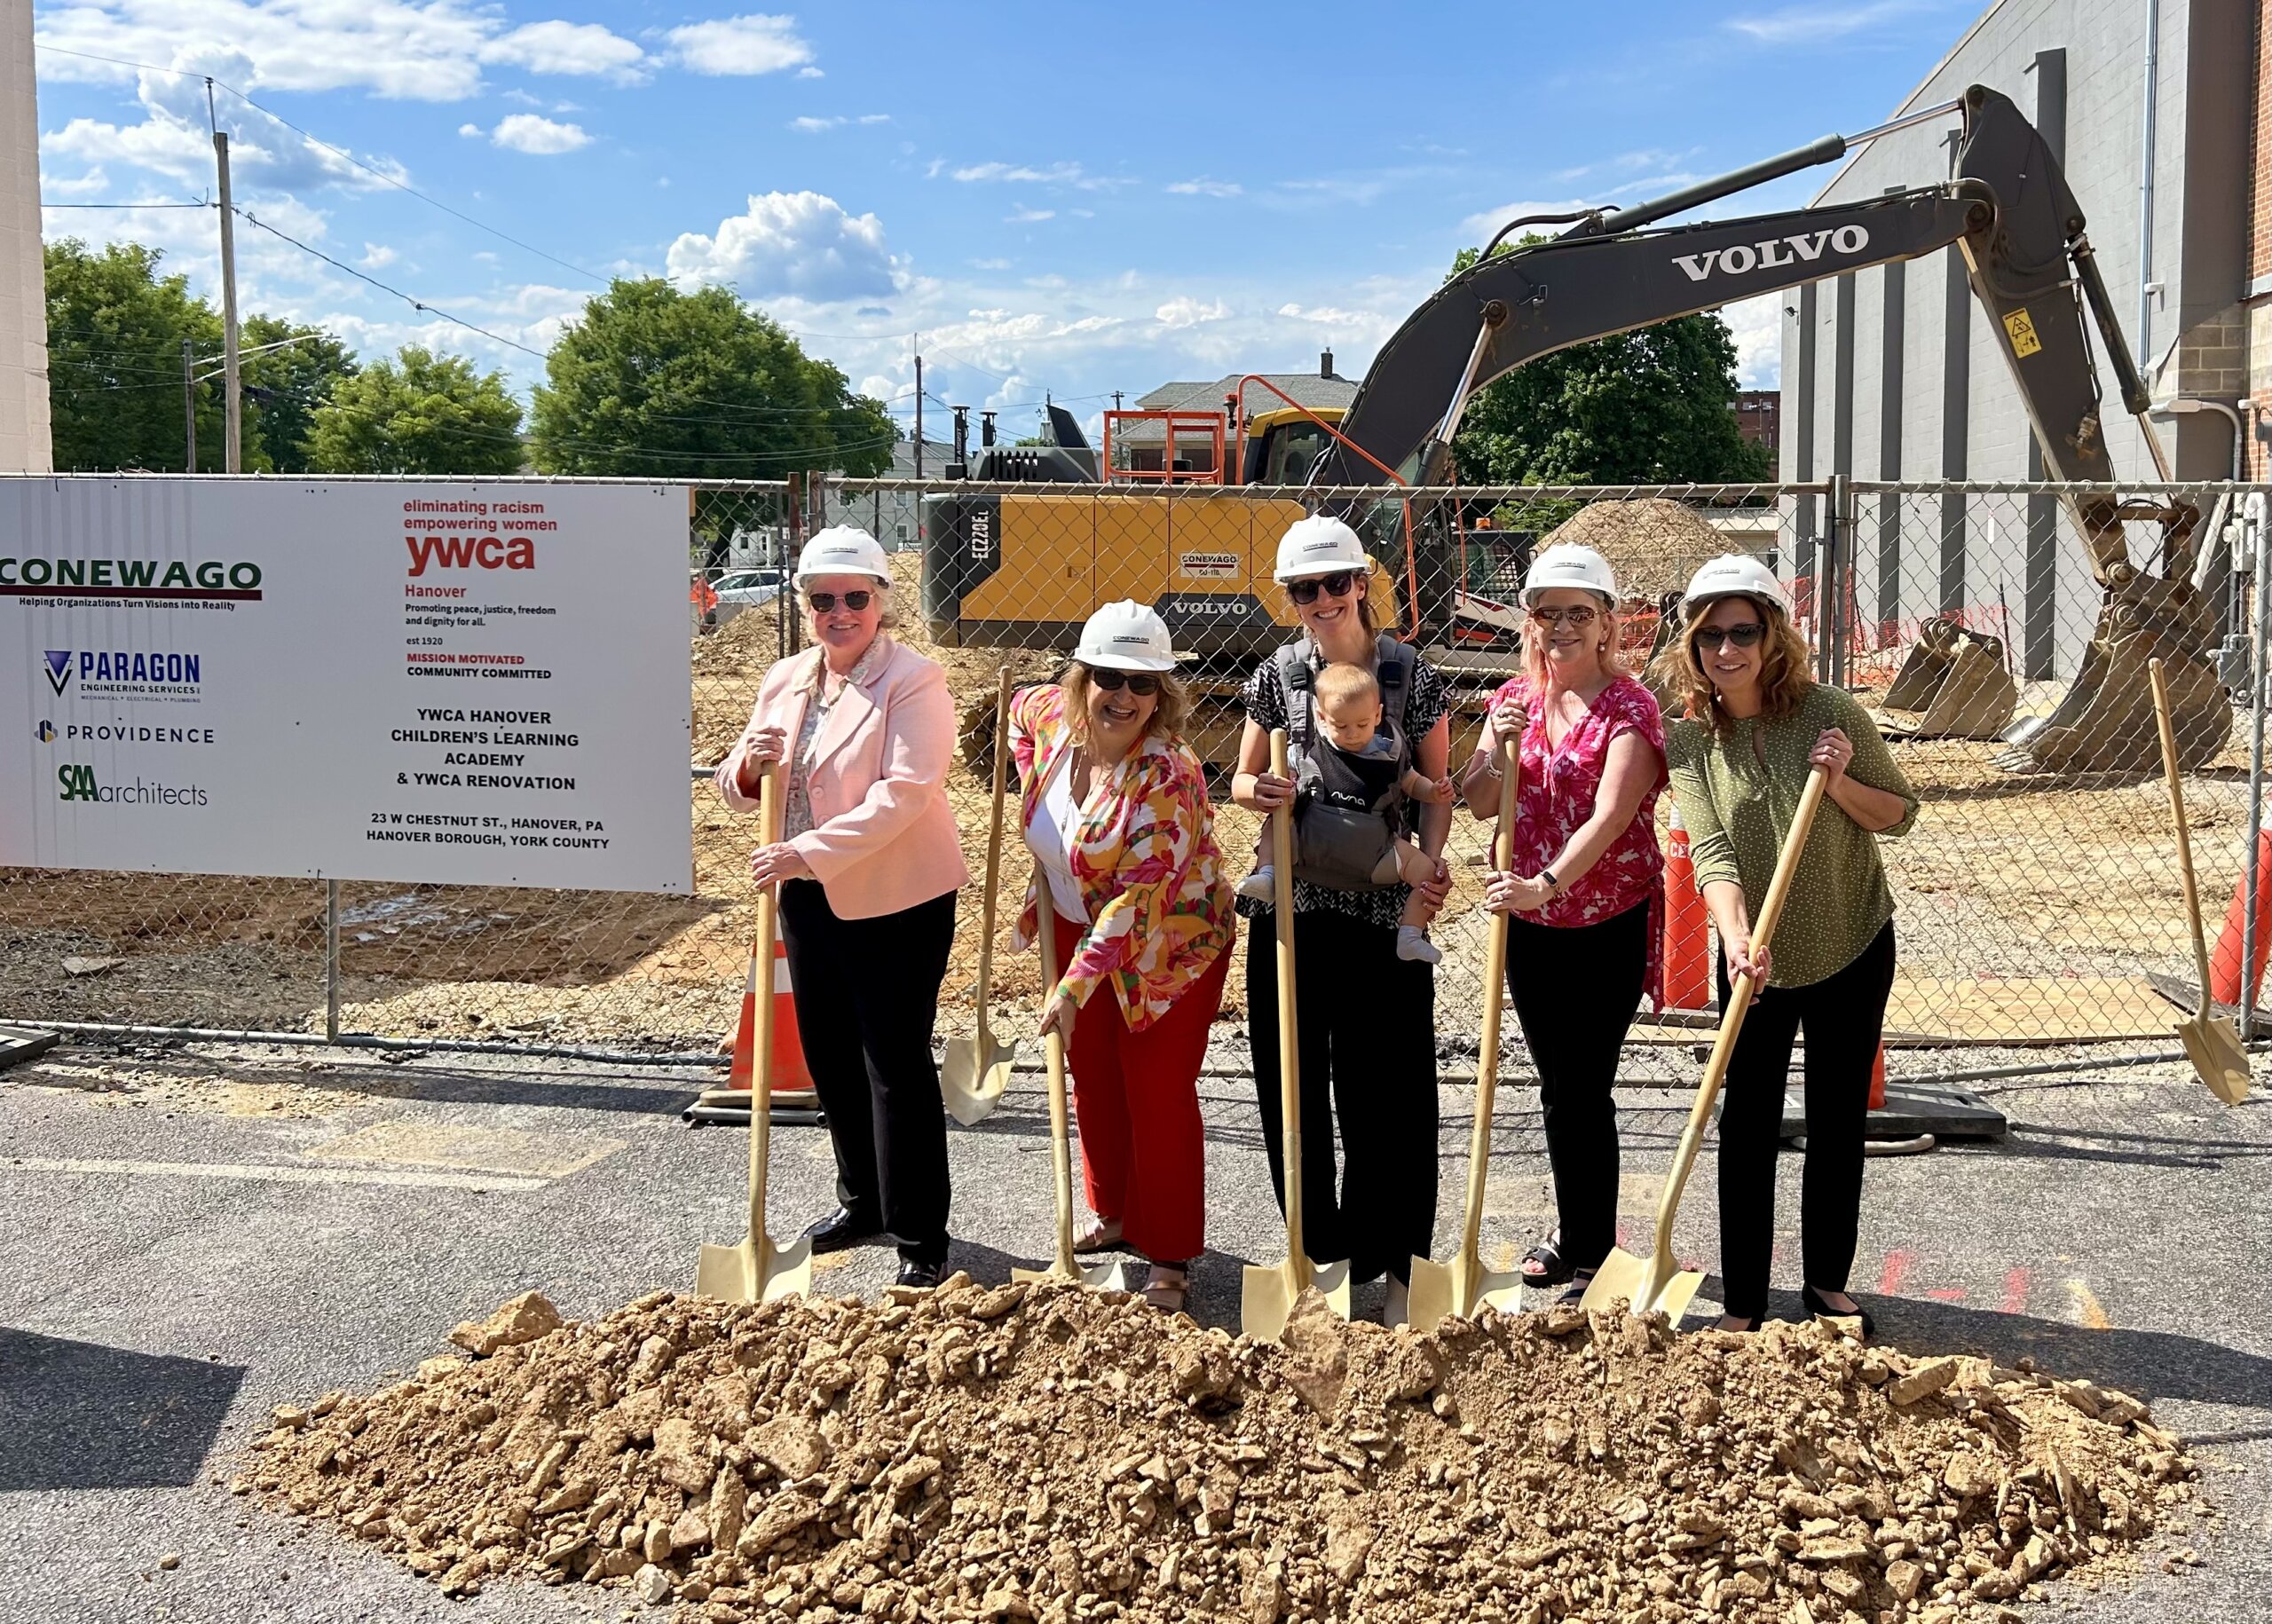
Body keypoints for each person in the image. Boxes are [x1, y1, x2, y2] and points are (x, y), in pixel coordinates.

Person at [1654, 554, 1919, 1336]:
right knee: (1747, 1125)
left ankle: (1827, 1283)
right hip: (1755, 958)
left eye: (1743, 632)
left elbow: (1899, 815)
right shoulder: (1690, 737)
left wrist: (1839, 782)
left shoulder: (1829, 712)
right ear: (1691, 645)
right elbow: (1711, 851)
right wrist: (1736, 939)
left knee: (1837, 1119)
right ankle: (1743, 1299)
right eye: (1710, 636)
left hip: (1850, 939)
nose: (1726, 649)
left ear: (1773, 635)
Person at [713, 525, 969, 1290]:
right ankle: (865, 1202)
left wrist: (806, 850)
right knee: (829, 1053)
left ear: (881, 601)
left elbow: (907, 791)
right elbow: (737, 783)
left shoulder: (913, 680)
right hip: (807, 894)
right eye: (822, 599)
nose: (839, 612)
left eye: (855, 597)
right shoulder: (787, 678)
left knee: (892, 1061)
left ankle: (920, 1234)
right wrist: (748, 767)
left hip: (898, 897)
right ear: (804, 605)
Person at [1230, 514, 1455, 1326]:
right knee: (1289, 1087)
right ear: (1289, 597)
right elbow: (1241, 778)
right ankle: (1316, 1253)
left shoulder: (1411, 676)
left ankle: (1397, 1262)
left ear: (1361, 583)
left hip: (1382, 914)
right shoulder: (1277, 676)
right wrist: (1254, 791)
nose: (1322, 600)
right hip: (1295, 914)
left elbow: (1437, 789)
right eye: (1304, 589)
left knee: (1389, 1094)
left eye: (1334, 583)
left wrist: (1426, 878)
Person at [1008, 601, 1236, 1313]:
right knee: (1094, 1073)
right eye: (1109, 677)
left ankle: (1168, 1254)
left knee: (1155, 1088)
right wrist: (1031, 784)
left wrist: (1072, 987)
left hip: (1170, 945)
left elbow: (1137, 900)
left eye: (1143, 683)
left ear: (1161, 694)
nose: (1124, 696)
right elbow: (1017, 713)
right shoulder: (1053, 720)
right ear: (1082, 680)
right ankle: (1114, 1216)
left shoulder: (1169, 774)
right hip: (1078, 922)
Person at [1463, 543, 1668, 1304]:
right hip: (1531, 924)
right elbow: (1478, 802)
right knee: (1558, 1086)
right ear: (1531, 622)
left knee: (1585, 1085)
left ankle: (1595, 1252)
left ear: (1607, 623)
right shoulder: (1514, 698)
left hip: (1605, 917)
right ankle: (1577, 1233)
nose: (1562, 627)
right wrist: (1497, 746)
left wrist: (1544, 884)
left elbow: (1612, 816)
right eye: (1548, 613)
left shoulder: (1630, 707)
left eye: (1579, 612)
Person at [1238, 660, 1456, 962]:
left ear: (1378, 714)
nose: (1352, 733)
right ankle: (1268, 874)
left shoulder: (1389, 751)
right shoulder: (1306, 750)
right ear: (1320, 717)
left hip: (1375, 854)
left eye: (1362, 725)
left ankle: (1409, 934)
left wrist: (1432, 792)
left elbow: (1412, 782)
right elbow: (1274, 779)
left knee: (1427, 872)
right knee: (1278, 820)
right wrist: (1278, 785)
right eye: (1341, 726)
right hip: (1307, 845)